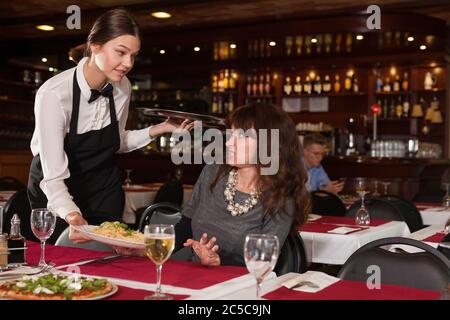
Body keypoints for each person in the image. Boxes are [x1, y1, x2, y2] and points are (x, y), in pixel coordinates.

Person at [27, 9, 194, 243]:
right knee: (60, 267)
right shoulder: (54, 94)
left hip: (102, 190)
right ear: (95, 45)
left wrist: (161, 128)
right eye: (121, 52)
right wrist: (72, 216)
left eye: (133, 56)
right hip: (57, 193)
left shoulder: (122, 86)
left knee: (107, 267)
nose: (128, 64)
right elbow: (52, 177)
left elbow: (115, 141)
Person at [173, 103, 310, 266]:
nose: (229, 143)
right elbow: (185, 226)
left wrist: (219, 260)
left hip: (242, 284)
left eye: (243, 136)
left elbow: (263, 259)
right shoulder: (213, 172)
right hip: (194, 275)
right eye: (231, 134)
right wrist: (150, 246)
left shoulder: (281, 197)